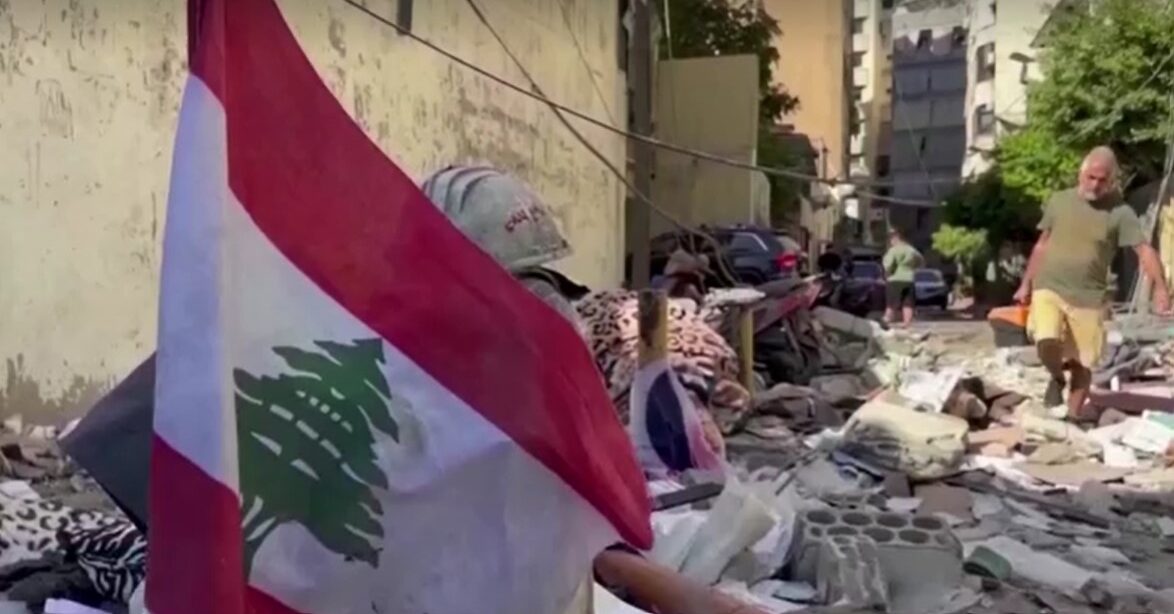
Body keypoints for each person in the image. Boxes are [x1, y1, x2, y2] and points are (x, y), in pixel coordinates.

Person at [1014, 146, 1171, 420]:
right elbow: (1042, 245)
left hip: (1089, 296)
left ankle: (1072, 417)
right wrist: (1026, 283)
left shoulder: (1120, 213)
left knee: (1083, 363)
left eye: (1103, 180)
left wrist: (1161, 288)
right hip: (1049, 285)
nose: (1095, 185)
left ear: (1112, 182)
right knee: (1046, 338)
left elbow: (1144, 251)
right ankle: (1055, 377)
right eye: (1091, 177)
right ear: (1081, 174)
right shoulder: (1059, 201)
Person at [882, 228, 923, 326]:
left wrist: (887, 273)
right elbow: (920, 260)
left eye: (891, 239)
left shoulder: (893, 250)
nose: (891, 242)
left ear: (896, 239)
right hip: (909, 279)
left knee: (891, 304)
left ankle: (886, 321)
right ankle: (907, 324)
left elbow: (888, 265)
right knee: (908, 303)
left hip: (894, 279)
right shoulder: (911, 250)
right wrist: (912, 267)